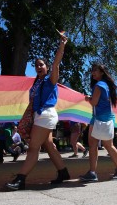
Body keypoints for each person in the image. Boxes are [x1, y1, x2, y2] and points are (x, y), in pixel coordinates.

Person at [5, 32, 70, 190]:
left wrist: (62, 44)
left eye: (42, 65)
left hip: (46, 115)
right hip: (40, 116)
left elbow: (56, 65)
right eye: (36, 65)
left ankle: (21, 179)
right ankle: (63, 172)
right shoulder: (36, 83)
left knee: (33, 148)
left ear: (47, 68)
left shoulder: (50, 81)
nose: (39, 67)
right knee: (49, 146)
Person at [79, 63, 117, 182]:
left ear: (102, 72)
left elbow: (94, 102)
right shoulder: (106, 85)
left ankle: (97, 172)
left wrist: (88, 99)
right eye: (92, 70)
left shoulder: (99, 85)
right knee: (104, 145)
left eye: (95, 70)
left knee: (101, 145)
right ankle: (97, 172)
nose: (92, 72)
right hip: (105, 118)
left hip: (100, 119)